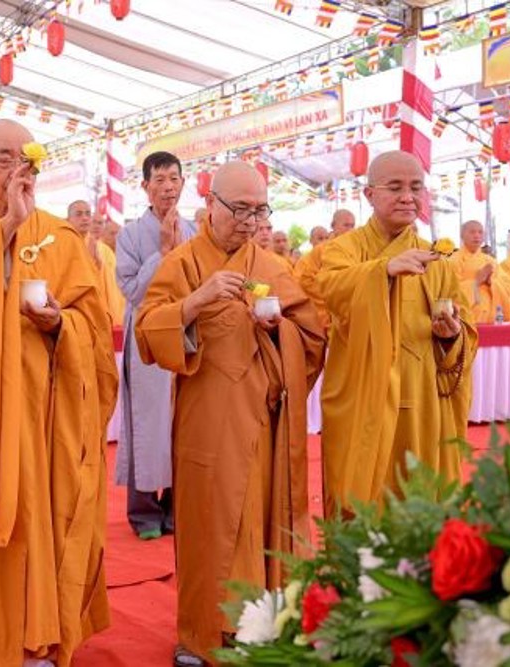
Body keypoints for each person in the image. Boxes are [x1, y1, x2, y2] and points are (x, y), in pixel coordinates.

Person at [0, 119, 117, 666]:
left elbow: (92, 320)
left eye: (22, 160)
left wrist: (60, 324)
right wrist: (8, 224)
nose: (14, 170)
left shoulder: (62, 234)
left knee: (48, 512)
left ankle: (45, 639)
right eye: (1, 158)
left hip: (51, 407)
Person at [136, 161, 325, 665]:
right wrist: (194, 303)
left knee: (264, 521)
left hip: (265, 423)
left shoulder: (273, 266)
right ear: (210, 204)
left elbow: (312, 337)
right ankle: (203, 634)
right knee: (209, 525)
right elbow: (147, 333)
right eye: (240, 209)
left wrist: (279, 330)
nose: (250, 221)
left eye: (259, 211)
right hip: (207, 422)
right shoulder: (182, 263)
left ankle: (266, 626)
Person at [317, 151, 478, 511]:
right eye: (395, 187)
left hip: (422, 397)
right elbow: (331, 288)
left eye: (416, 188)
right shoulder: (344, 249)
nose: (408, 197)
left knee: (418, 496)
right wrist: (384, 270)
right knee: (361, 499)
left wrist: (451, 335)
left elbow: (465, 328)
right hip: (364, 395)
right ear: (369, 194)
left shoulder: (436, 258)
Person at [115, 151, 197, 540]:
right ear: (145, 186)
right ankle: (144, 512)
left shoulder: (196, 231)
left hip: (186, 333)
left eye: (174, 179)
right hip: (147, 337)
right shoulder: (130, 235)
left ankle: (177, 508)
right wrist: (162, 254)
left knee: (186, 420)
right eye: (159, 180)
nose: (168, 187)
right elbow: (132, 289)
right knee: (147, 423)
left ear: (183, 183)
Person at [294, 209, 356, 331]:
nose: (350, 230)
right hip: (325, 309)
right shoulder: (321, 250)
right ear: (333, 226)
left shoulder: (355, 249)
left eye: (352, 226)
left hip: (349, 309)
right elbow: (306, 279)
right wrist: (331, 295)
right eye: (346, 225)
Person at [67, 201, 124, 323]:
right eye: (79, 214)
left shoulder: (104, 250)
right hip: (75, 311)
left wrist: (99, 266)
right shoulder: (63, 247)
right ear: (68, 220)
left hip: (104, 309)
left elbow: (115, 286)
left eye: (88, 214)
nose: (85, 218)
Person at [450, 220, 510, 324]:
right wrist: (476, 281)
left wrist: (491, 282)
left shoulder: (490, 261)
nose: (477, 236)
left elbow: (507, 286)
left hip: (491, 318)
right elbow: (449, 291)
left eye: (480, 232)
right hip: (465, 319)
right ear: (462, 235)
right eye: (472, 232)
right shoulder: (454, 260)